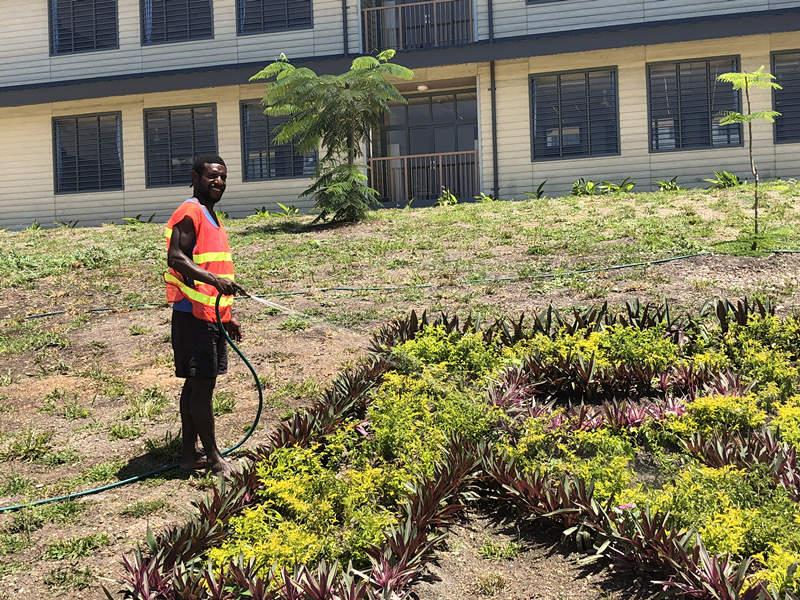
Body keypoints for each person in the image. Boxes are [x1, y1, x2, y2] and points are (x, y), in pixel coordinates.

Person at [164, 155, 244, 476]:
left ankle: (188, 455)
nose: (219, 182)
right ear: (196, 176)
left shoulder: (211, 215)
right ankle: (213, 458)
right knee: (202, 388)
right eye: (212, 176)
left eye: (223, 177)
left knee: (194, 388)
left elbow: (210, 266)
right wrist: (215, 282)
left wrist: (227, 317)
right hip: (193, 318)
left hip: (207, 316)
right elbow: (176, 258)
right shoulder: (190, 212)